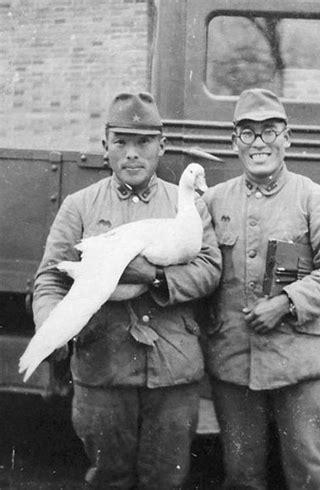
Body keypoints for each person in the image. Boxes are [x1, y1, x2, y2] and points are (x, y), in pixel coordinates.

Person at [32, 92, 221, 489]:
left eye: (144, 142)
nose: (132, 154)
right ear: (105, 148)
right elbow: (50, 277)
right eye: (121, 142)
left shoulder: (186, 205)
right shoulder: (80, 206)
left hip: (172, 372)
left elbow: (209, 269)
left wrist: (153, 276)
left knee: (165, 479)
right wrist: (52, 325)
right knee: (109, 477)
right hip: (104, 368)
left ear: (162, 146)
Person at [203, 88, 320, 489]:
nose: (259, 143)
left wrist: (287, 302)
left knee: (307, 473)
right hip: (234, 361)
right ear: (234, 141)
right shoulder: (212, 202)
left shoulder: (313, 199)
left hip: (300, 362)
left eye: (269, 131)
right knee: (242, 476)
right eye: (248, 133)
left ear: (287, 138)